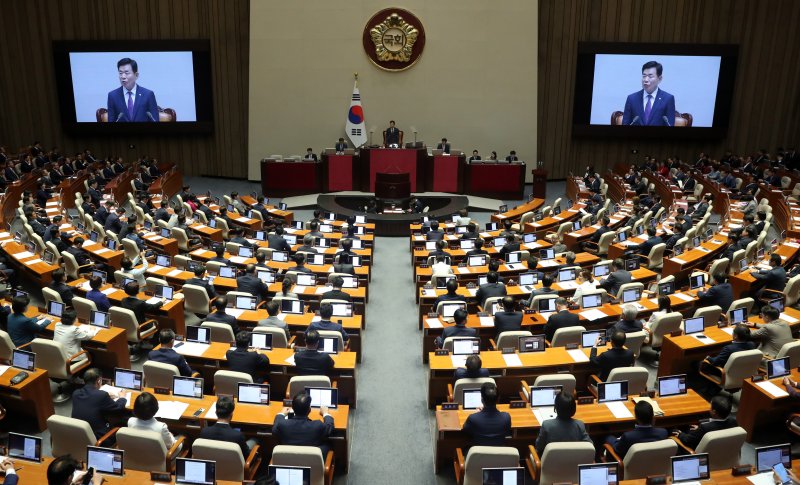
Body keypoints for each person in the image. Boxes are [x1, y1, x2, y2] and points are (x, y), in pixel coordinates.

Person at [71, 367, 128, 440]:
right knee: (122, 419)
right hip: (99, 438)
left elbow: (91, 402)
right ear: (99, 381)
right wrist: (122, 397)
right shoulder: (101, 395)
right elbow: (118, 407)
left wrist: (104, 395)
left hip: (79, 435)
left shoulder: (76, 394)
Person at [621, 61, 675, 126]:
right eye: (644, 76)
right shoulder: (632, 99)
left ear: (660, 79)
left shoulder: (668, 99)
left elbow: (669, 124)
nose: (646, 80)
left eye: (650, 76)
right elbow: (625, 124)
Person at [107, 58, 159, 122]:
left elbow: (154, 119)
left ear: (136, 75)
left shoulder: (148, 95)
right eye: (120, 73)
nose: (123, 76)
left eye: (126, 73)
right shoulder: (113, 96)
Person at [462, 382, 511, 447]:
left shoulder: (473, 418)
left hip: (478, 456)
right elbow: (507, 433)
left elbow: (465, 431)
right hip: (499, 455)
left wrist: (478, 414)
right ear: (498, 399)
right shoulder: (506, 417)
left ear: (482, 400)